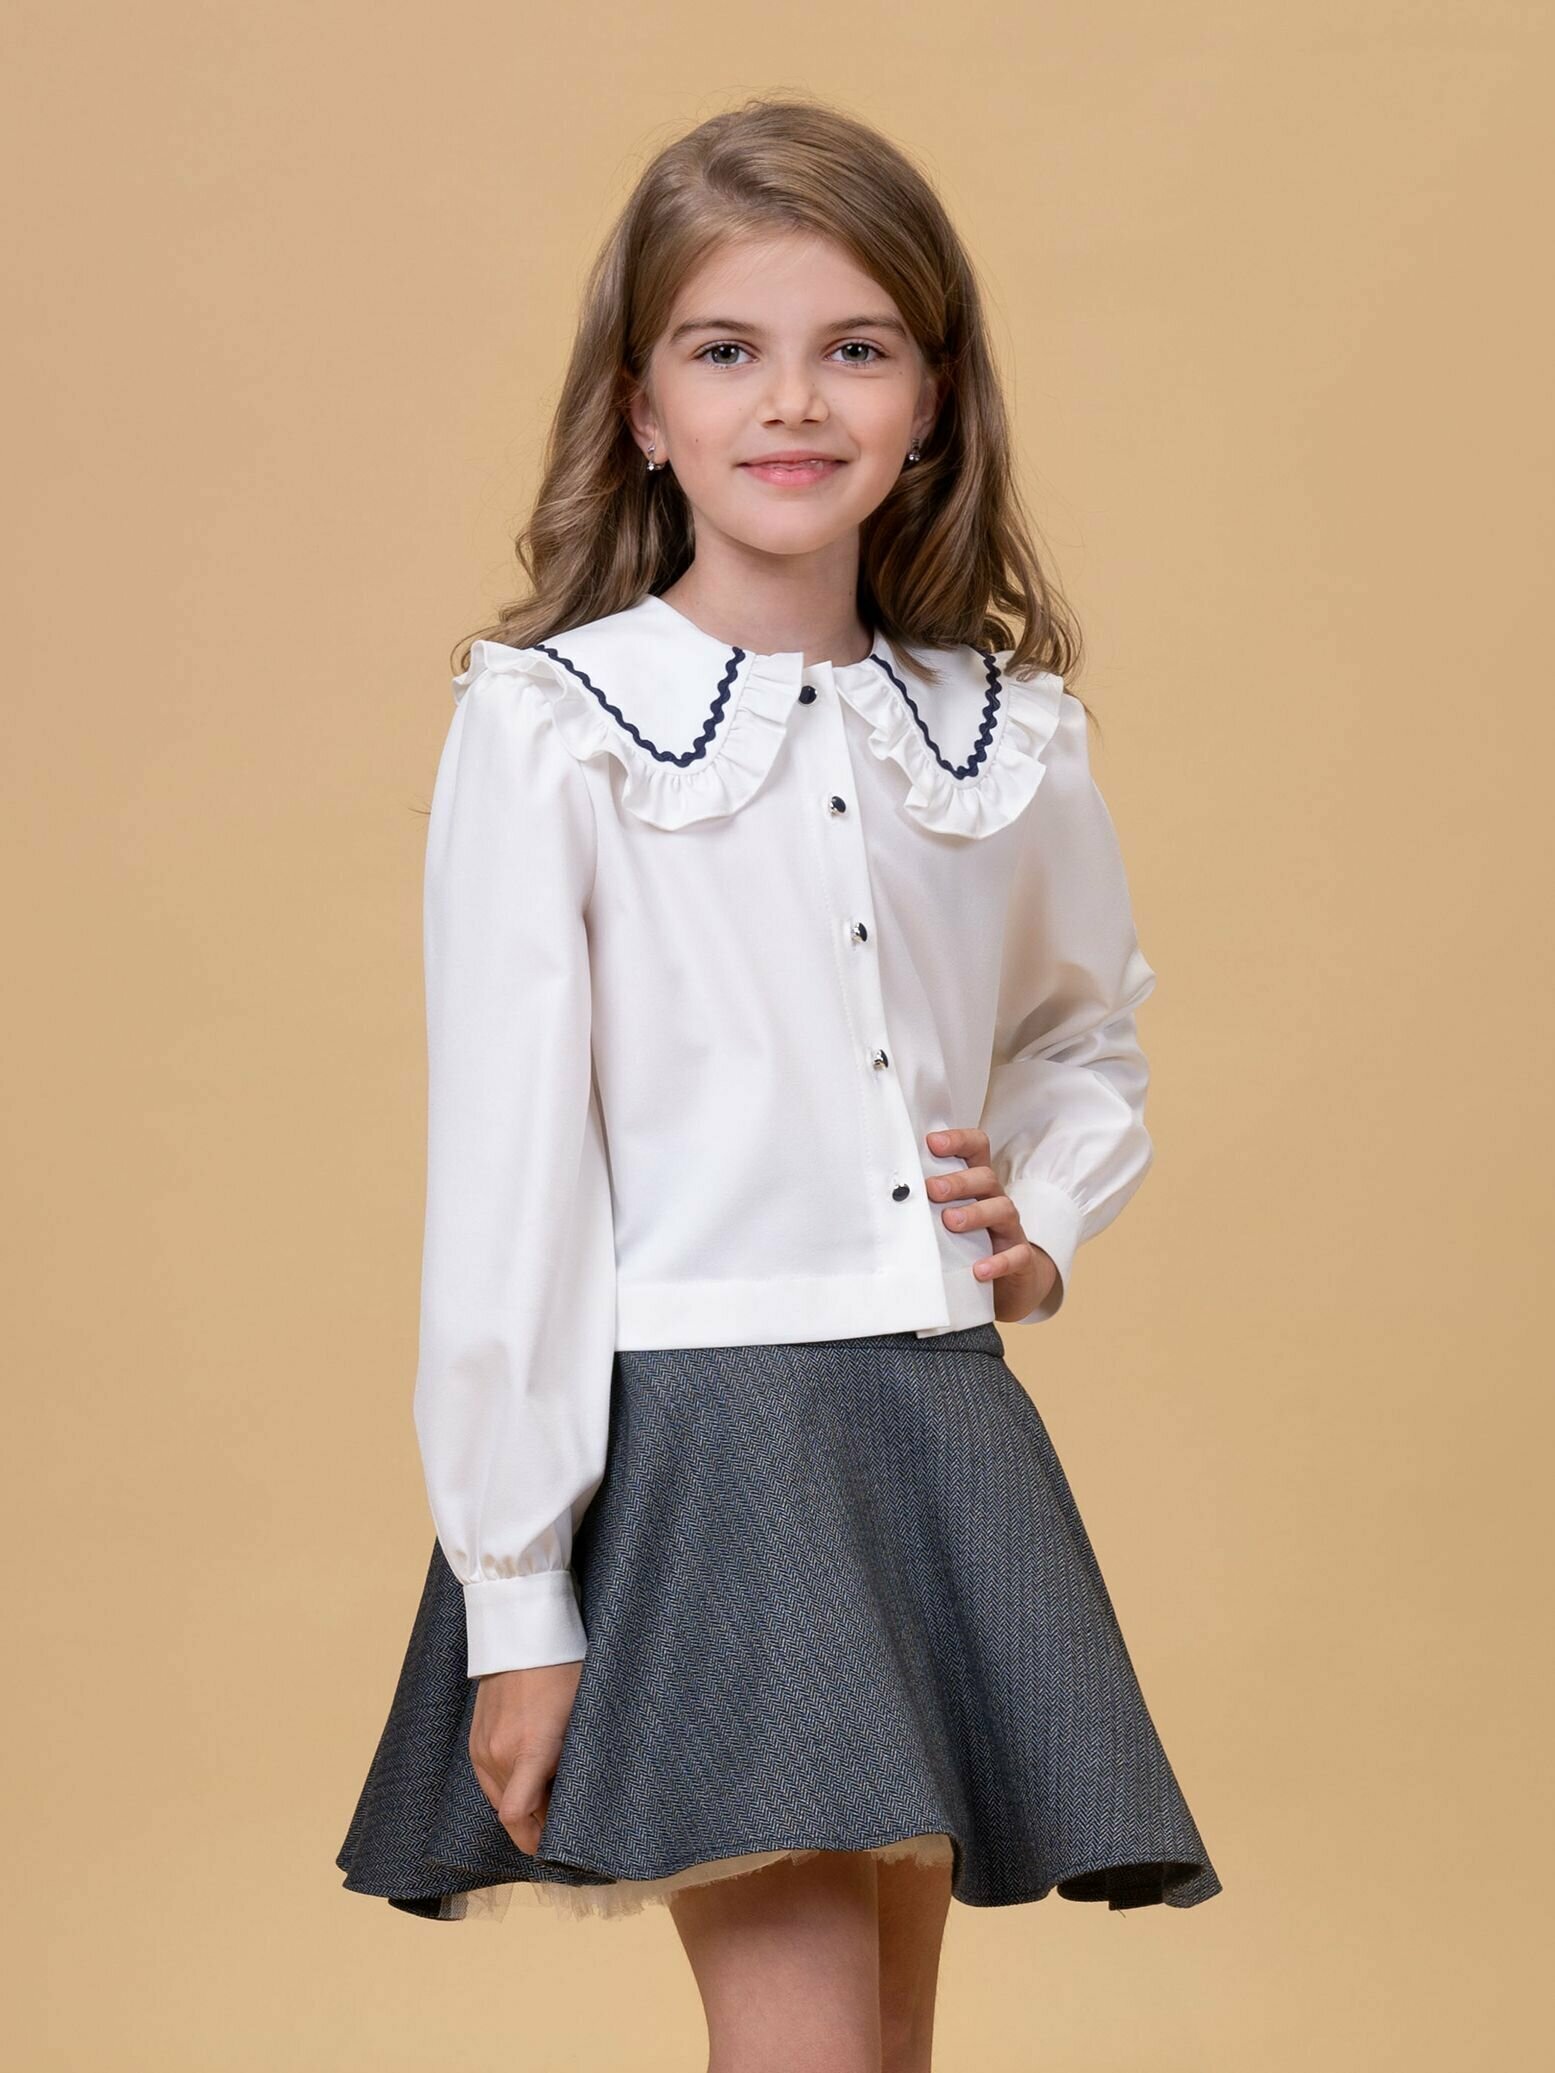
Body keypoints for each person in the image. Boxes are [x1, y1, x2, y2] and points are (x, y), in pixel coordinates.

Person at [337, 90, 1221, 2073]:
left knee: (884, 2049)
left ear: (932, 401)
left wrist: (1042, 1212)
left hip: (934, 1424)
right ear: (642, 407)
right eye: (727, 349)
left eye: (857, 347)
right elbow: (512, 1178)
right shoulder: (556, 726)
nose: (794, 402)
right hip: (707, 1447)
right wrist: (516, 1595)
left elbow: (1085, 1029)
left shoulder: (1000, 731)